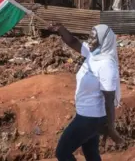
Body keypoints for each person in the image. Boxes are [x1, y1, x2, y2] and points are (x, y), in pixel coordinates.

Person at [49, 23, 123, 161]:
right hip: (87, 115)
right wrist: (60, 29)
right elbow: (73, 41)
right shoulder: (93, 53)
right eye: (89, 36)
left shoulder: (106, 65)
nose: (89, 40)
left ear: (103, 41)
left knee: (62, 152)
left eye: (93, 38)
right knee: (90, 151)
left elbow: (109, 99)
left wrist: (111, 128)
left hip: (91, 118)